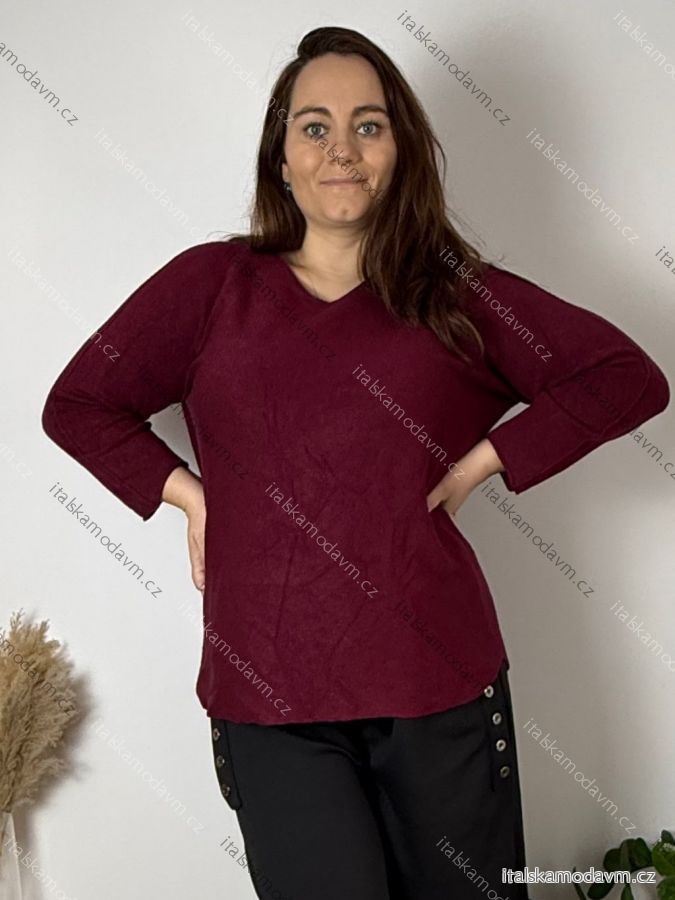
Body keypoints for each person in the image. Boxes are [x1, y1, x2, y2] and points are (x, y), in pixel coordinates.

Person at [41, 25, 669, 900]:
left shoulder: (452, 294)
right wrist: (192, 497)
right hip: (269, 700)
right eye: (315, 127)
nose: (341, 148)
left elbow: (625, 378)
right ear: (281, 156)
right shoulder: (211, 286)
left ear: (399, 150)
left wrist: (482, 463)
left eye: (368, 126)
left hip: (438, 686)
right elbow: (77, 405)